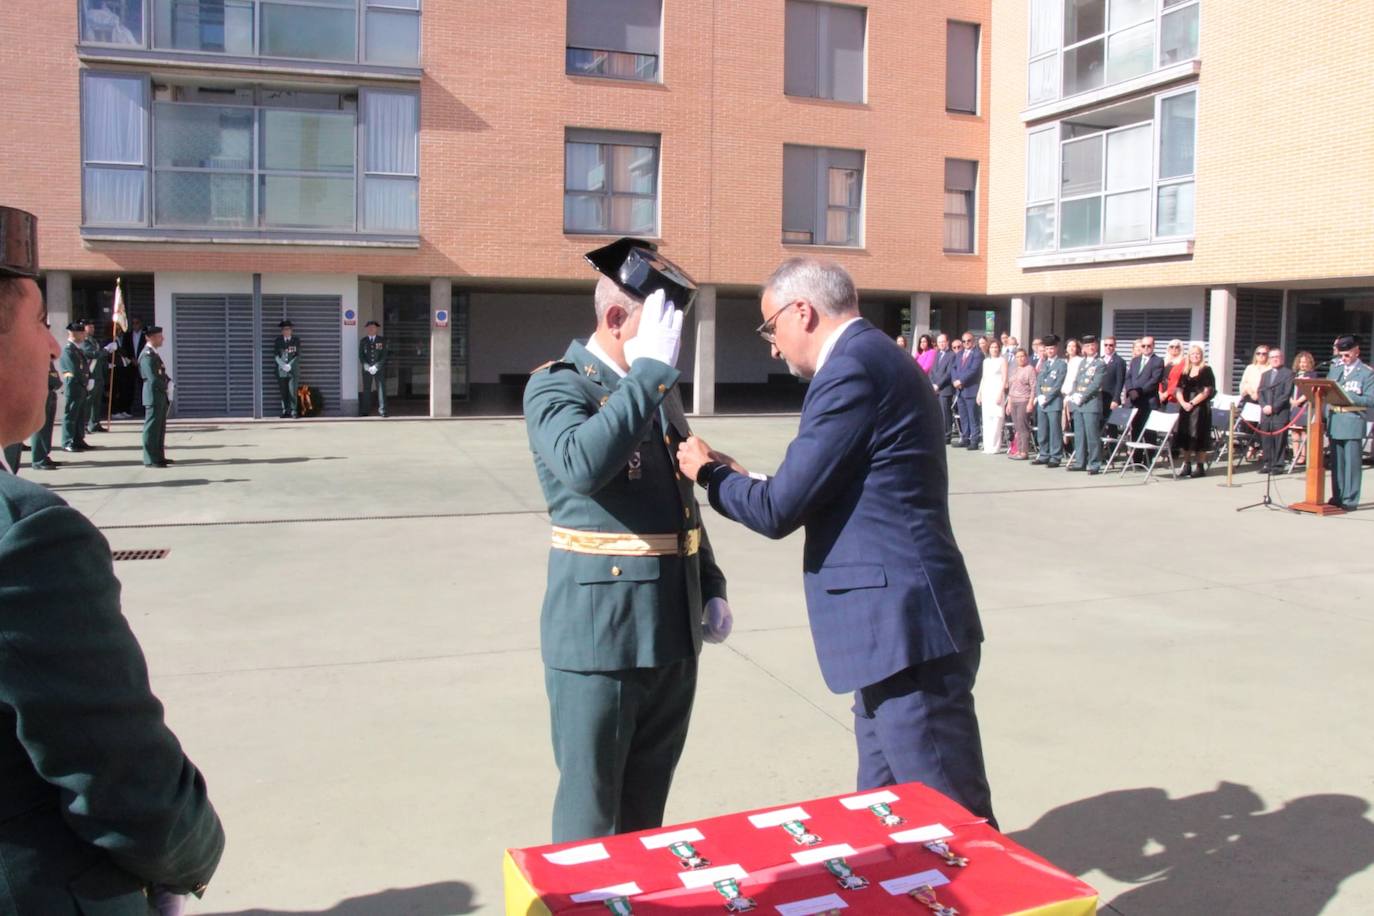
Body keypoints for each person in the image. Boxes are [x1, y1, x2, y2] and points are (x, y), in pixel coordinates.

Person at [676, 256, 995, 824]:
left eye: (770, 327)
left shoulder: (850, 369)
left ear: (803, 311)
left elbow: (780, 511)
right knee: (884, 818)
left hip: (905, 632)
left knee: (954, 826)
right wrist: (741, 479)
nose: (772, 346)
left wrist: (709, 475)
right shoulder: (874, 357)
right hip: (892, 633)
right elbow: (831, 486)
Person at [0, 205, 224, 914]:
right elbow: (132, 791)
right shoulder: (28, 538)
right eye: (39, 324)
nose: (51, 351)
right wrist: (195, 853)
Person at [522, 237, 731, 842]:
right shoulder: (557, 387)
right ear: (616, 318)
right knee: (592, 815)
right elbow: (584, 465)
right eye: (659, 324)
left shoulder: (654, 392)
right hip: (600, 636)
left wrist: (710, 585)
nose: (672, 341)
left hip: (671, 628)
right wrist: (648, 375)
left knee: (645, 815)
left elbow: (681, 499)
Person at [1326, 335, 1374, 511]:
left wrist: (1348, 396)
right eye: (1341, 355)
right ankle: (1337, 496)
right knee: (1337, 463)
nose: (1343, 359)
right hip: (1335, 420)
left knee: (1352, 464)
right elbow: (1325, 393)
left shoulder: (1366, 373)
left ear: (1357, 352)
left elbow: (1371, 399)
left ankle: (1350, 499)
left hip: (1353, 420)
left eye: (1347, 355)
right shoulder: (1336, 370)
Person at [1174, 344, 1216, 477]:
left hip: (1200, 408)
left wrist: (1192, 403)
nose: (1195, 356)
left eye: (1197, 354)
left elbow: (1206, 391)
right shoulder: (1186, 370)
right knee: (1185, 435)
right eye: (1192, 354)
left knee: (1199, 436)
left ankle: (1200, 466)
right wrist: (1183, 403)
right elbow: (1178, 389)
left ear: (1201, 355)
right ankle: (1186, 464)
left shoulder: (1206, 370)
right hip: (1185, 406)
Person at [1067, 335, 1106, 474]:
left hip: (1091, 403)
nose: (1091, 347)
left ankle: (1094, 464)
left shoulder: (1100, 363)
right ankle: (1080, 461)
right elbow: (1077, 381)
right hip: (1079, 403)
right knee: (1079, 434)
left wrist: (1082, 396)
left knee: (1092, 435)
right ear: (1083, 348)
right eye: (1088, 345)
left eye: (1093, 345)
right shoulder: (1083, 362)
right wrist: (1074, 393)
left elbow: (1096, 384)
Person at [1257, 347, 1294, 474]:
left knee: (1279, 440)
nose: (1275, 359)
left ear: (1282, 358)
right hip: (1266, 412)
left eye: (1277, 357)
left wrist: (1274, 407)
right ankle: (1267, 463)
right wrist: (1264, 406)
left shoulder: (1288, 373)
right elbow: (1260, 391)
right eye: (1272, 357)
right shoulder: (1265, 375)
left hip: (1280, 412)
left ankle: (1278, 465)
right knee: (1266, 439)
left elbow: (1287, 393)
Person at [139, 325, 171, 468]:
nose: (162, 338)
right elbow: (152, 378)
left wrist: (169, 381)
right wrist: (166, 386)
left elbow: (160, 374)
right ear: (150, 338)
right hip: (153, 395)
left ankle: (158, 456)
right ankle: (150, 459)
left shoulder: (154, 354)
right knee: (152, 428)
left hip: (159, 395)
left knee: (159, 428)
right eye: (159, 336)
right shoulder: (146, 355)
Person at [1033, 335, 1067, 467]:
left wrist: (1048, 397)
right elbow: (1039, 382)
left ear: (1056, 348)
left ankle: (1055, 456)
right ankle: (1043, 454)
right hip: (1042, 402)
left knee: (1054, 431)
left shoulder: (1061, 364)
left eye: (1052, 348)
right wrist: (1039, 395)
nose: (1050, 351)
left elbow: (1058, 383)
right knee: (1042, 430)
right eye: (1047, 349)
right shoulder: (1044, 364)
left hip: (1053, 401)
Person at [59, 320, 92, 452]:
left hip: (81, 386)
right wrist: (85, 380)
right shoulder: (68, 350)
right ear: (73, 334)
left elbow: (83, 367)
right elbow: (74, 369)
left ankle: (78, 439)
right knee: (71, 415)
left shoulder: (77, 349)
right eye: (81, 333)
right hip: (74, 386)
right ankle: (67, 441)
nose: (84, 335)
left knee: (79, 415)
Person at [1122, 336, 1164, 443]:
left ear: (1153, 346)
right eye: (1143, 346)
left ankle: (1148, 459)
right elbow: (1128, 377)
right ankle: (1136, 459)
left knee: (1149, 433)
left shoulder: (1158, 361)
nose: (1146, 348)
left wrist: (1139, 391)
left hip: (1148, 402)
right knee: (1135, 431)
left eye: (1148, 346)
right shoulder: (1135, 360)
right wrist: (1130, 390)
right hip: (1135, 401)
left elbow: (1154, 380)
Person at [952, 331, 983, 450]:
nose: (966, 343)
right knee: (963, 416)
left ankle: (974, 440)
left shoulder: (977, 354)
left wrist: (961, 381)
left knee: (972, 416)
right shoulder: (959, 354)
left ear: (973, 341)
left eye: (968, 341)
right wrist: (955, 380)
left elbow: (973, 371)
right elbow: (953, 368)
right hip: (959, 390)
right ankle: (965, 438)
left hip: (971, 389)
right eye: (964, 341)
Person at [29, 358, 61, 470]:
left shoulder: (46, 355)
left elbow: (53, 374)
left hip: (49, 392)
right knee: (40, 427)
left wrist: (56, 382)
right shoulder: (33, 354)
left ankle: (44, 455)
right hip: (40, 392)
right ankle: (38, 459)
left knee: (47, 427)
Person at [80, 318, 112, 434]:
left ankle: (94, 423)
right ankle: (83, 424)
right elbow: (92, 354)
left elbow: (100, 358)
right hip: (90, 375)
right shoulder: (84, 341)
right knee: (88, 402)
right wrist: (106, 350)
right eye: (90, 326)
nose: (92, 328)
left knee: (97, 401)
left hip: (98, 375)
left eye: (93, 326)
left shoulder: (93, 341)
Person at [1007, 348, 1037, 460]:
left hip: (1024, 400)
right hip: (1013, 400)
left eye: (1022, 356)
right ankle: (1018, 450)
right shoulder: (1014, 369)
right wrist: (1009, 403)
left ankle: (1024, 451)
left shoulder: (1030, 369)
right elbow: (1011, 388)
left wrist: (1030, 403)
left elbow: (1034, 387)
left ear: (1026, 357)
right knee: (1017, 427)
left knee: (1023, 426)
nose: (1020, 358)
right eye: (1018, 357)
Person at [1289, 351, 1318, 466]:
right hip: (1294, 405)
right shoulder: (1294, 375)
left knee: (1303, 431)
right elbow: (1289, 389)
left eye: (1305, 362)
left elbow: (1311, 390)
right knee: (1294, 431)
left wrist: (1299, 401)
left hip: (1305, 406)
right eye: (1301, 362)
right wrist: (1291, 400)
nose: (1303, 364)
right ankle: (1295, 454)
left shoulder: (1312, 375)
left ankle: (1303, 456)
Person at [116, 315, 148, 418]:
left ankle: (145, 410)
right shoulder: (127, 335)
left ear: (141, 323)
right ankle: (127, 410)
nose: (135, 325)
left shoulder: (145, 335)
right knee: (128, 388)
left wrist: (140, 359)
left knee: (144, 386)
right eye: (133, 323)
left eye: (137, 323)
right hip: (130, 364)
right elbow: (124, 349)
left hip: (142, 364)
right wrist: (131, 358)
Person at [979, 339, 1006, 454]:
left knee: (996, 419)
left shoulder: (1002, 360)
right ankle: (987, 446)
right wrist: (979, 393)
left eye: (996, 347)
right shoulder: (986, 361)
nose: (994, 349)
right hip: (987, 391)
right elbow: (983, 378)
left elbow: (1004, 378)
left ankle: (995, 447)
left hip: (997, 391)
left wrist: (1000, 393)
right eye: (992, 347)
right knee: (987, 419)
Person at [928, 333, 957, 443]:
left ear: (947, 342)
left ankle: (946, 435)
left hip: (945, 389)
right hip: (934, 388)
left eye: (943, 342)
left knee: (945, 412)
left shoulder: (952, 355)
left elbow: (949, 373)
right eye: (939, 342)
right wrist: (931, 383)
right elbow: (931, 371)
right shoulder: (936, 354)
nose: (941, 344)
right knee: (937, 413)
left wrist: (938, 385)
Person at [359, 320, 388, 418]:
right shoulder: (363, 341)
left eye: (373, 327)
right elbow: (361, 356)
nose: (371, 329)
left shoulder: (382, 341)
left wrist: (376, 366)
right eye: (369, 327)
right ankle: (365, 410)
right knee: (366, 389)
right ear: (367, 329)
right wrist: (367, 367)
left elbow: (384, 356)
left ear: (377, 329)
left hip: (379, 369)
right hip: (367, 369)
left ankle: (383, 410)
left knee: (381, 389)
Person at [274, 320, 301, 419]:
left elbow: (297, 355)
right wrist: (282, 365)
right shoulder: (278, 341)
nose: (286, 331)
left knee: (292, 391)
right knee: (283, 392)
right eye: (284, 329)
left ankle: (294, 411)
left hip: (292, 371)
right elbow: (276, 356)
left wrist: (289, 365)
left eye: (288, 329)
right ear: (282, 331)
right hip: (281, 371)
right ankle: (286, 411)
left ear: (291, 330)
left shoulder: (296, 340)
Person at [1159, 339, 1186, 410]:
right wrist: (1159, 392)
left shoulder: (1183, 363)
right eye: (1172, 347)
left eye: (1177, 347)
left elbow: (1179, 381)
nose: (1174, 349)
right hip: (1160, 396)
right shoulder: (1164, 362)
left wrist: (1167, 393)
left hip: (1173, 397)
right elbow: (1159, 378)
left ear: (1181, 349)